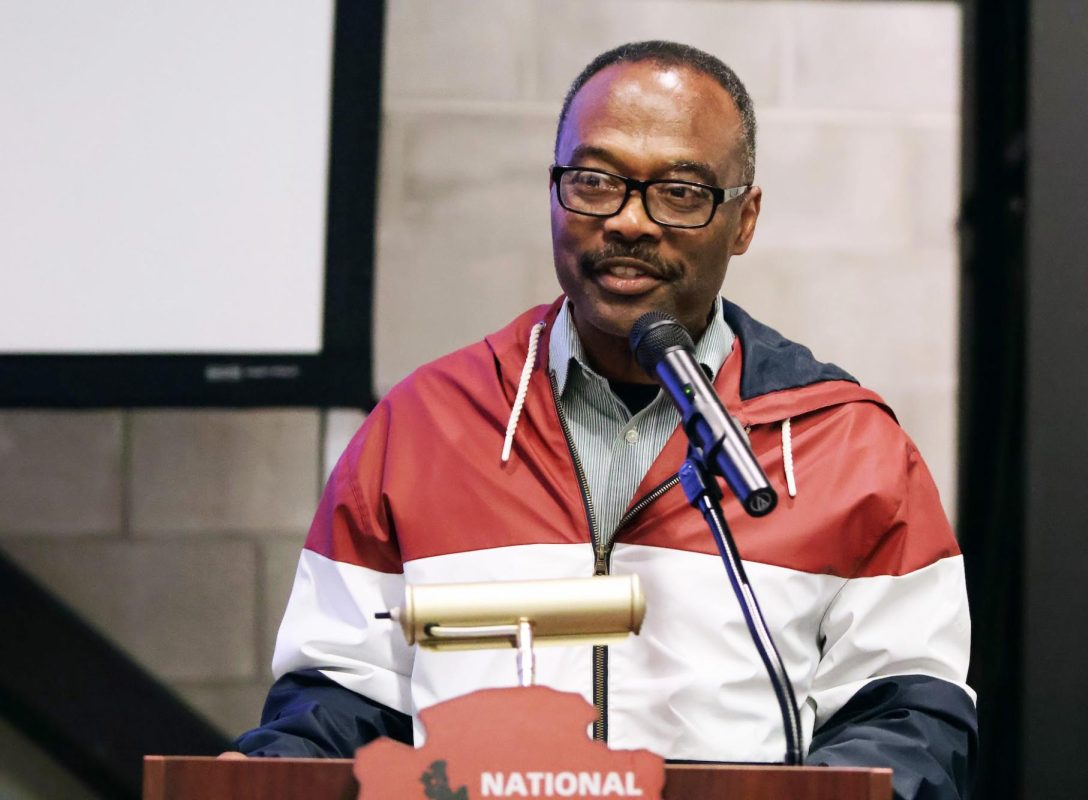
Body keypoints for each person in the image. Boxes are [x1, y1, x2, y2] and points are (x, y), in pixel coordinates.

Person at [235, 41, 977, 800]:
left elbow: (912, 722)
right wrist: (265, 773)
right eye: (595, 181)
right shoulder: (420, 429)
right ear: (554, 193)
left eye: (681, 192)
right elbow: (341, 699)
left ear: (745, 219)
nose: (628, 221)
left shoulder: (846, 446)